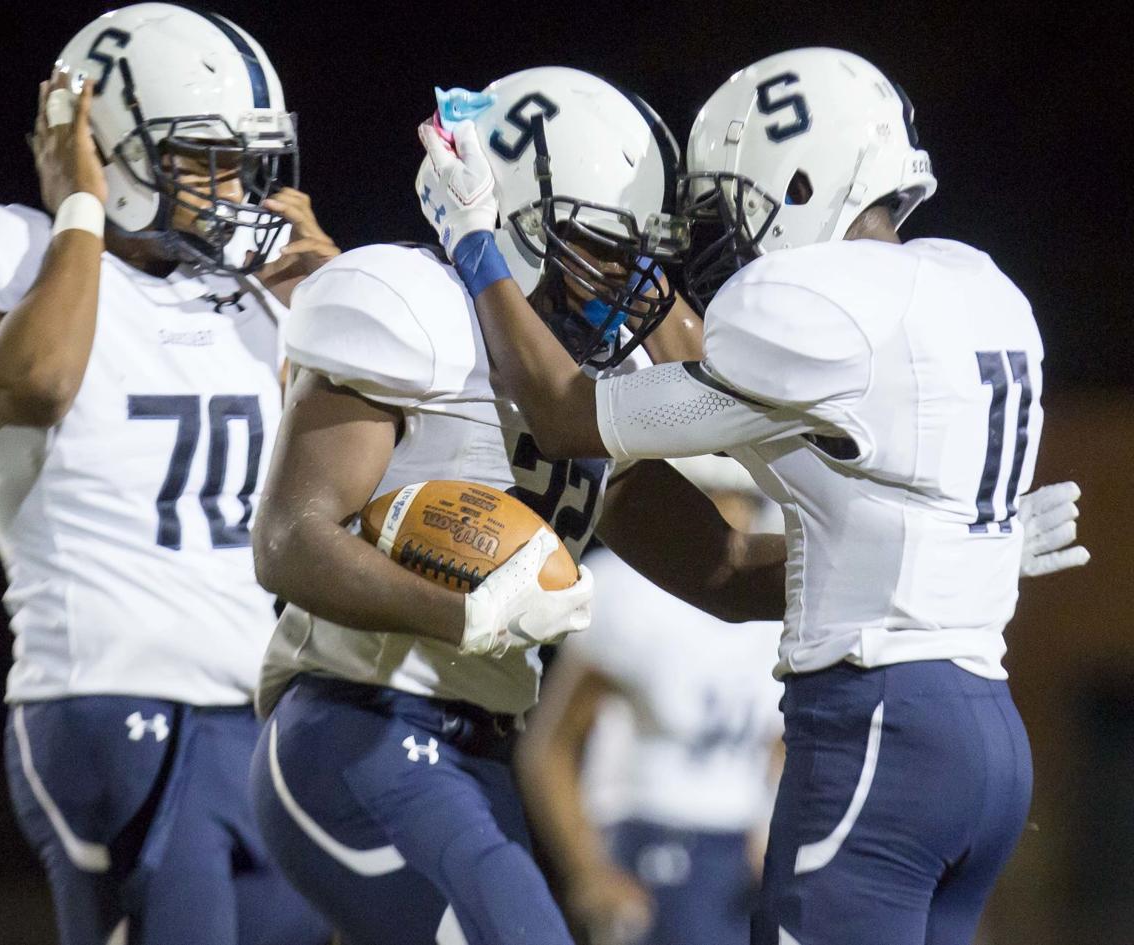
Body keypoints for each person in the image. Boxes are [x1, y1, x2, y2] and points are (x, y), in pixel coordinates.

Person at [417, 47, 1090, 945]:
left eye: (738, 200)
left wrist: (475, 245)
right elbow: (753, 410)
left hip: (879, 724)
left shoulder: (815, 303)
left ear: (805, 178)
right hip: (983, 733)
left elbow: (570, 415)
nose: (729, 233)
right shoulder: (973, 284)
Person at [247, 66, 785, 945]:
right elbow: (289, 539)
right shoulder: (412, 308)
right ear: (513, 218)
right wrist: (463, 611)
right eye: (603, 244)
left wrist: (912, 564)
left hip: (476, 750)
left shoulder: (591, 382)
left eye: (644, 249)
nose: (632, 276)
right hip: (359, 722)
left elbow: (721, 569)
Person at [0, 5, 334, 943]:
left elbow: (387, 472)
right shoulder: (6, 259)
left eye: (244, 160)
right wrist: (75, 204)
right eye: (201, 156)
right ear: (99, 146)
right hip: (112, 695)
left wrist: (340, 299)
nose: (228, 187)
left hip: (267, 709)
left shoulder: (255, 298)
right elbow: (33, 380)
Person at [517, 459, 784, 945]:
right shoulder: (627, 590)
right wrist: (587, 871)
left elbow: (778, 747)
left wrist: (775, 832)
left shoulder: (774, 604)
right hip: (646, 834)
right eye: (714, 499)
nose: (733, 518)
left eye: (744, 502)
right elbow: (549, 750)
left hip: (740, 848)